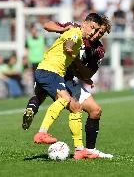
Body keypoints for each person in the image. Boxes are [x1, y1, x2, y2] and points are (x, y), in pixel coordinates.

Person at [22, 15, 113, 159]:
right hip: (53, 72)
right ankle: (41, 130)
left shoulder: (98, 50)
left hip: (67, 79)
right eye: (95, 29)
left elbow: (87, 73)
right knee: (50, 96)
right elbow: (48, 26)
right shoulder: (75, 29)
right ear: (87, 24)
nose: (96, 34)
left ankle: (84, 150)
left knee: (93, 110)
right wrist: (63, 29)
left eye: (100, 32)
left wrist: (77, 63)